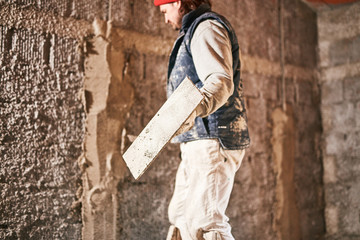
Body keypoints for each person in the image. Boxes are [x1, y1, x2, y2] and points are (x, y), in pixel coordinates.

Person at [154, 0, 250, 239]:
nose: (165, 19)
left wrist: (187, 112)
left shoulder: (206, 27)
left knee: (205, 222)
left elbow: (219, 80)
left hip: (213, 137)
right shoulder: (193, 30)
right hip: (197, 138)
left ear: (177, 2)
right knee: (179, 216)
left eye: (165, 11)